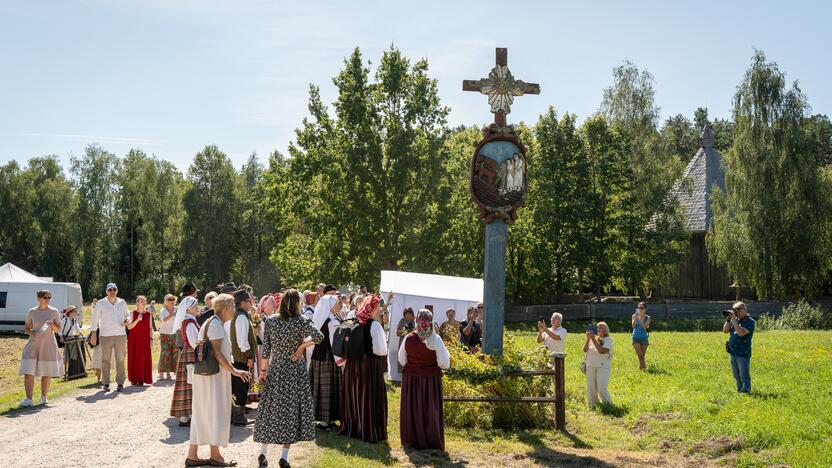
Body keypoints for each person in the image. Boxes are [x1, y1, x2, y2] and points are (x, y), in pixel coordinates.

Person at [254, 289, 324, 468]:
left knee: (271, 410)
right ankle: (283, 457)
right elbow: (319, 336)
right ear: (297, 304)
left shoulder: (271, 321)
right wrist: (302, 346)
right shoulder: (301, 321)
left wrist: (263, 372)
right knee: (291, 412)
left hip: (276, 369)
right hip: (295, 371)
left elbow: (266, 350)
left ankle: (263, 453)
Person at [186, 293, 252, 468]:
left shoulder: (213, 323)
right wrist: (235, 370)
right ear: (225, 308)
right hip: (213, 378)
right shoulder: (215, 324)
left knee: (204, 413)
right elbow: (217, 353)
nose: (234, 309)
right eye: (232, 306)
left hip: (208, 377)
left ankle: (194, 455)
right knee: (215, 412)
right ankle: (215, 456)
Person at [398, 309, 450, 450]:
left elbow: (402, 360)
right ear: (431, 321)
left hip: (411, 379)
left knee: (413, 407)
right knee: (430, 409)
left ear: (416, 321)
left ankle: (412, 439)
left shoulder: (409, 337)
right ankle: (430, 440)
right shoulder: (435, 338)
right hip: (430, 380)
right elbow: (444, 363)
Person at [340, 295, 388, 443]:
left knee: (354, 395)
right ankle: (368, 428)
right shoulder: (374, 325)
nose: (379, 309)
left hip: (353, 365)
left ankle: (353, 425)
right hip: (369, 365)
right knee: (368, 396)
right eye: (377, 307)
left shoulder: (354, 321)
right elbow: (381, 350)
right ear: (373, 308)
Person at [19, 289, 63, 406]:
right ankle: (28, 399)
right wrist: (32, 333)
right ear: (39, 298)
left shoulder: (54, 311)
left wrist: (52, 325)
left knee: (47, 371)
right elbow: (27, 328)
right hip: (33, 344)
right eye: (45, 297)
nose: (47, 299)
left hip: (48, 344)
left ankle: (44, 397)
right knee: (28, 370)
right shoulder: (32, 312)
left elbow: (58, 329)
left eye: (49, 297)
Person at [308, 294, 342, 430]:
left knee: (319, 388)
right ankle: (325, 421)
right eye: (336, 304)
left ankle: (327, 420)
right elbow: (334, 344)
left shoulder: (321, 319)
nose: (338, 306)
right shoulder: (331, 322)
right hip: (329, 358)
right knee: (327, 389)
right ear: (329, 306)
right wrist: (340, 360)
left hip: (318, 358)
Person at [90, 283, 131, 392]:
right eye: (110, 290)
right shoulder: (100, 303)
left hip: (120, 334)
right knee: (105, 360)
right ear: (106, 291)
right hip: (105, 335)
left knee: (120, 359)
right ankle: (106, 383)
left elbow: (128, 314)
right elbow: (95, 319)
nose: (112, 291)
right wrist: (93, 334)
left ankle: (120, 383)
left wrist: (127, 320)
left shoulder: (122, 302)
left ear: (117, 290)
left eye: (114, 289)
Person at [171, 295, 200, 426]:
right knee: (191, 384)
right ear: (189, 309)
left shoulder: (189, 320)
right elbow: (195, 343)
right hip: (191, 355)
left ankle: (185, 416)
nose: (197, 308)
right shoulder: (189, 322)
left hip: (187, 354)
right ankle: (189, 416)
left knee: (188, 384)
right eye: (195, 306)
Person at [230, 289, 258, 426]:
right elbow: (242, 342)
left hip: (240, 358)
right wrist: (249, 357)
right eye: (248, 301)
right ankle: (238, 417)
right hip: (241, 358)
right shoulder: (241, 316)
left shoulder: (242, 315)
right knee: (240, 387)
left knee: (240, 386)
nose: (251, 303)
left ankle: (236, 415)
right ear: (242, 303)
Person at [723, 301, 755, 394]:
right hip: (733, 352)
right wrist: (729, 320)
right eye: (734, 310)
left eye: (737, 309)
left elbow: (741, 333)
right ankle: (740, 390)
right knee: (736, 374)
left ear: (744, 310)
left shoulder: (750, 321)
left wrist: (735, 320)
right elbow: (725, 331)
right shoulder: (735, 320)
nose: (735, 312)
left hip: (743, 353)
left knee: (743, 373)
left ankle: (746, 391)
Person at [583, 321, 613, 409]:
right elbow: (585, 349)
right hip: (590, 365)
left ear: (605, 329)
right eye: (597, 327)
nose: (598, 329)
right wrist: (588, 338)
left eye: (600, 327)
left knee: (601, 388)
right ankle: (593, 406)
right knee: (591, 388)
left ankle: (608, 405)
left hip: (602, 366)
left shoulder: (608, 340)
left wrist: (592, 339)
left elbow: (601, 350)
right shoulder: (593, 338)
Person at [126, 295, 153, 386]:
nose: (144, 302)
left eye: (145, 301)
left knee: (143, 358)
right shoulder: (132, 313)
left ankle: (142, 378)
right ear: (137, 303)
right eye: (141, 301)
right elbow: (129, 327)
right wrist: (137, 319)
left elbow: (150, 328)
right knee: (134, 357)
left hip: (145, 340)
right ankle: (134, 378)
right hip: (134, 340)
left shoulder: (149, 314)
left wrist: (151, 339)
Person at [61, 305, 88, 380]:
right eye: (74, 311)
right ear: (70, 312)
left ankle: (73, 369)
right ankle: (67, 371)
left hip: (72, 338)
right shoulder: (64, 320)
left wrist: (82, 335)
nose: (76, 313)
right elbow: (60, 330)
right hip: (66, 339)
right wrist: (61, 338)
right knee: (68, 355)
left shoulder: (74, 320)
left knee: (73, 353)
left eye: (76, 311)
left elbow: (78, 329)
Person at [158, 294, 179, 380]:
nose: (172, 301)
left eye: (173, 299)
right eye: (169, 299)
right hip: (165, 334)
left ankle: (169, 372)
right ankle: (162, 372)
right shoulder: (163, 310)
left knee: (174, 353)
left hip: (174, 333)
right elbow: (163, 320)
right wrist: (172, 314)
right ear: (166, 302)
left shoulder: (177, 309)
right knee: (165, 352)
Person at [631, 302, 651, 370]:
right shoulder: (634, 316)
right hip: (635, 337)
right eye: (639, 308)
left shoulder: (648, 318)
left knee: (642, 356)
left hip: (644, 338)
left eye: (642, 308)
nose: (640, 309)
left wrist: (640, 319)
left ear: (645, 309)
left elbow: (645, 328)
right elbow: (633, 326)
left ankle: (641, 368)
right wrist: (635, 319)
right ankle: (644, 367)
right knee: (640, 354)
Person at [395, 307, 415, 373]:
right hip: (403, 343)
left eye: (409, 314)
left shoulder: (416, 321)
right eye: (406, 314)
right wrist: (405, 329)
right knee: (402, 358)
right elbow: (397, 333)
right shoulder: (402, 321)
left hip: (413, 344)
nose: (408, 316)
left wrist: (412, 330)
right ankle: (403, 378)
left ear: (412, 314)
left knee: (412, 360)